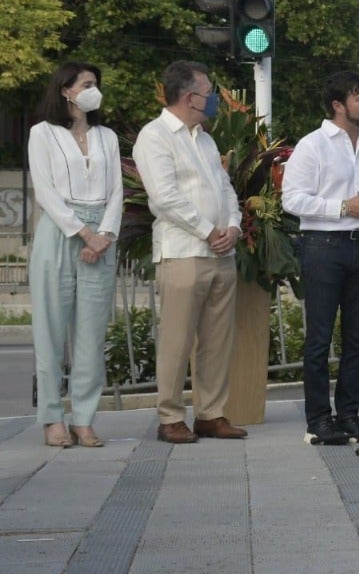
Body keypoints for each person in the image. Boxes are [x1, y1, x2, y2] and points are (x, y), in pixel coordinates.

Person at [132, 61, 245, 443]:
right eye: (209, 92)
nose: (214, 99)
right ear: (189, 96)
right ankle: (170, 418)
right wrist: (207, 230)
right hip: (183, 253)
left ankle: (211, 414)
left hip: (221, 254)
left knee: (217, 339)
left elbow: (226, 189)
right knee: (177, 340)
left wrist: (233, 227)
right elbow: (164, 198)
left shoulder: (206, 139)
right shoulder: (155, 136)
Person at [283, 72, 359, 445]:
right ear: (338, 105)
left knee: (358, 338)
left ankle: (348, 413)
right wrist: (342, 207)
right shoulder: (312, 145)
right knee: (319, 337)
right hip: (322, 247)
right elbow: (293, 199)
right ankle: (318, 418)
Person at [27, 62, 122, 448]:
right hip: (59, 233)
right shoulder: (42, 134)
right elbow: (45, 192)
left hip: (101, 236)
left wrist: (103, 235)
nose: (92, 90)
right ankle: (52, 418)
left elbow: (117, 189)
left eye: (95, 84)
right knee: (50, 330)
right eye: (86, 84)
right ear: (66, 90)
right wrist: (82, 231)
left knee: (91, 335)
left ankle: (84, 418)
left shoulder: (107, 136)